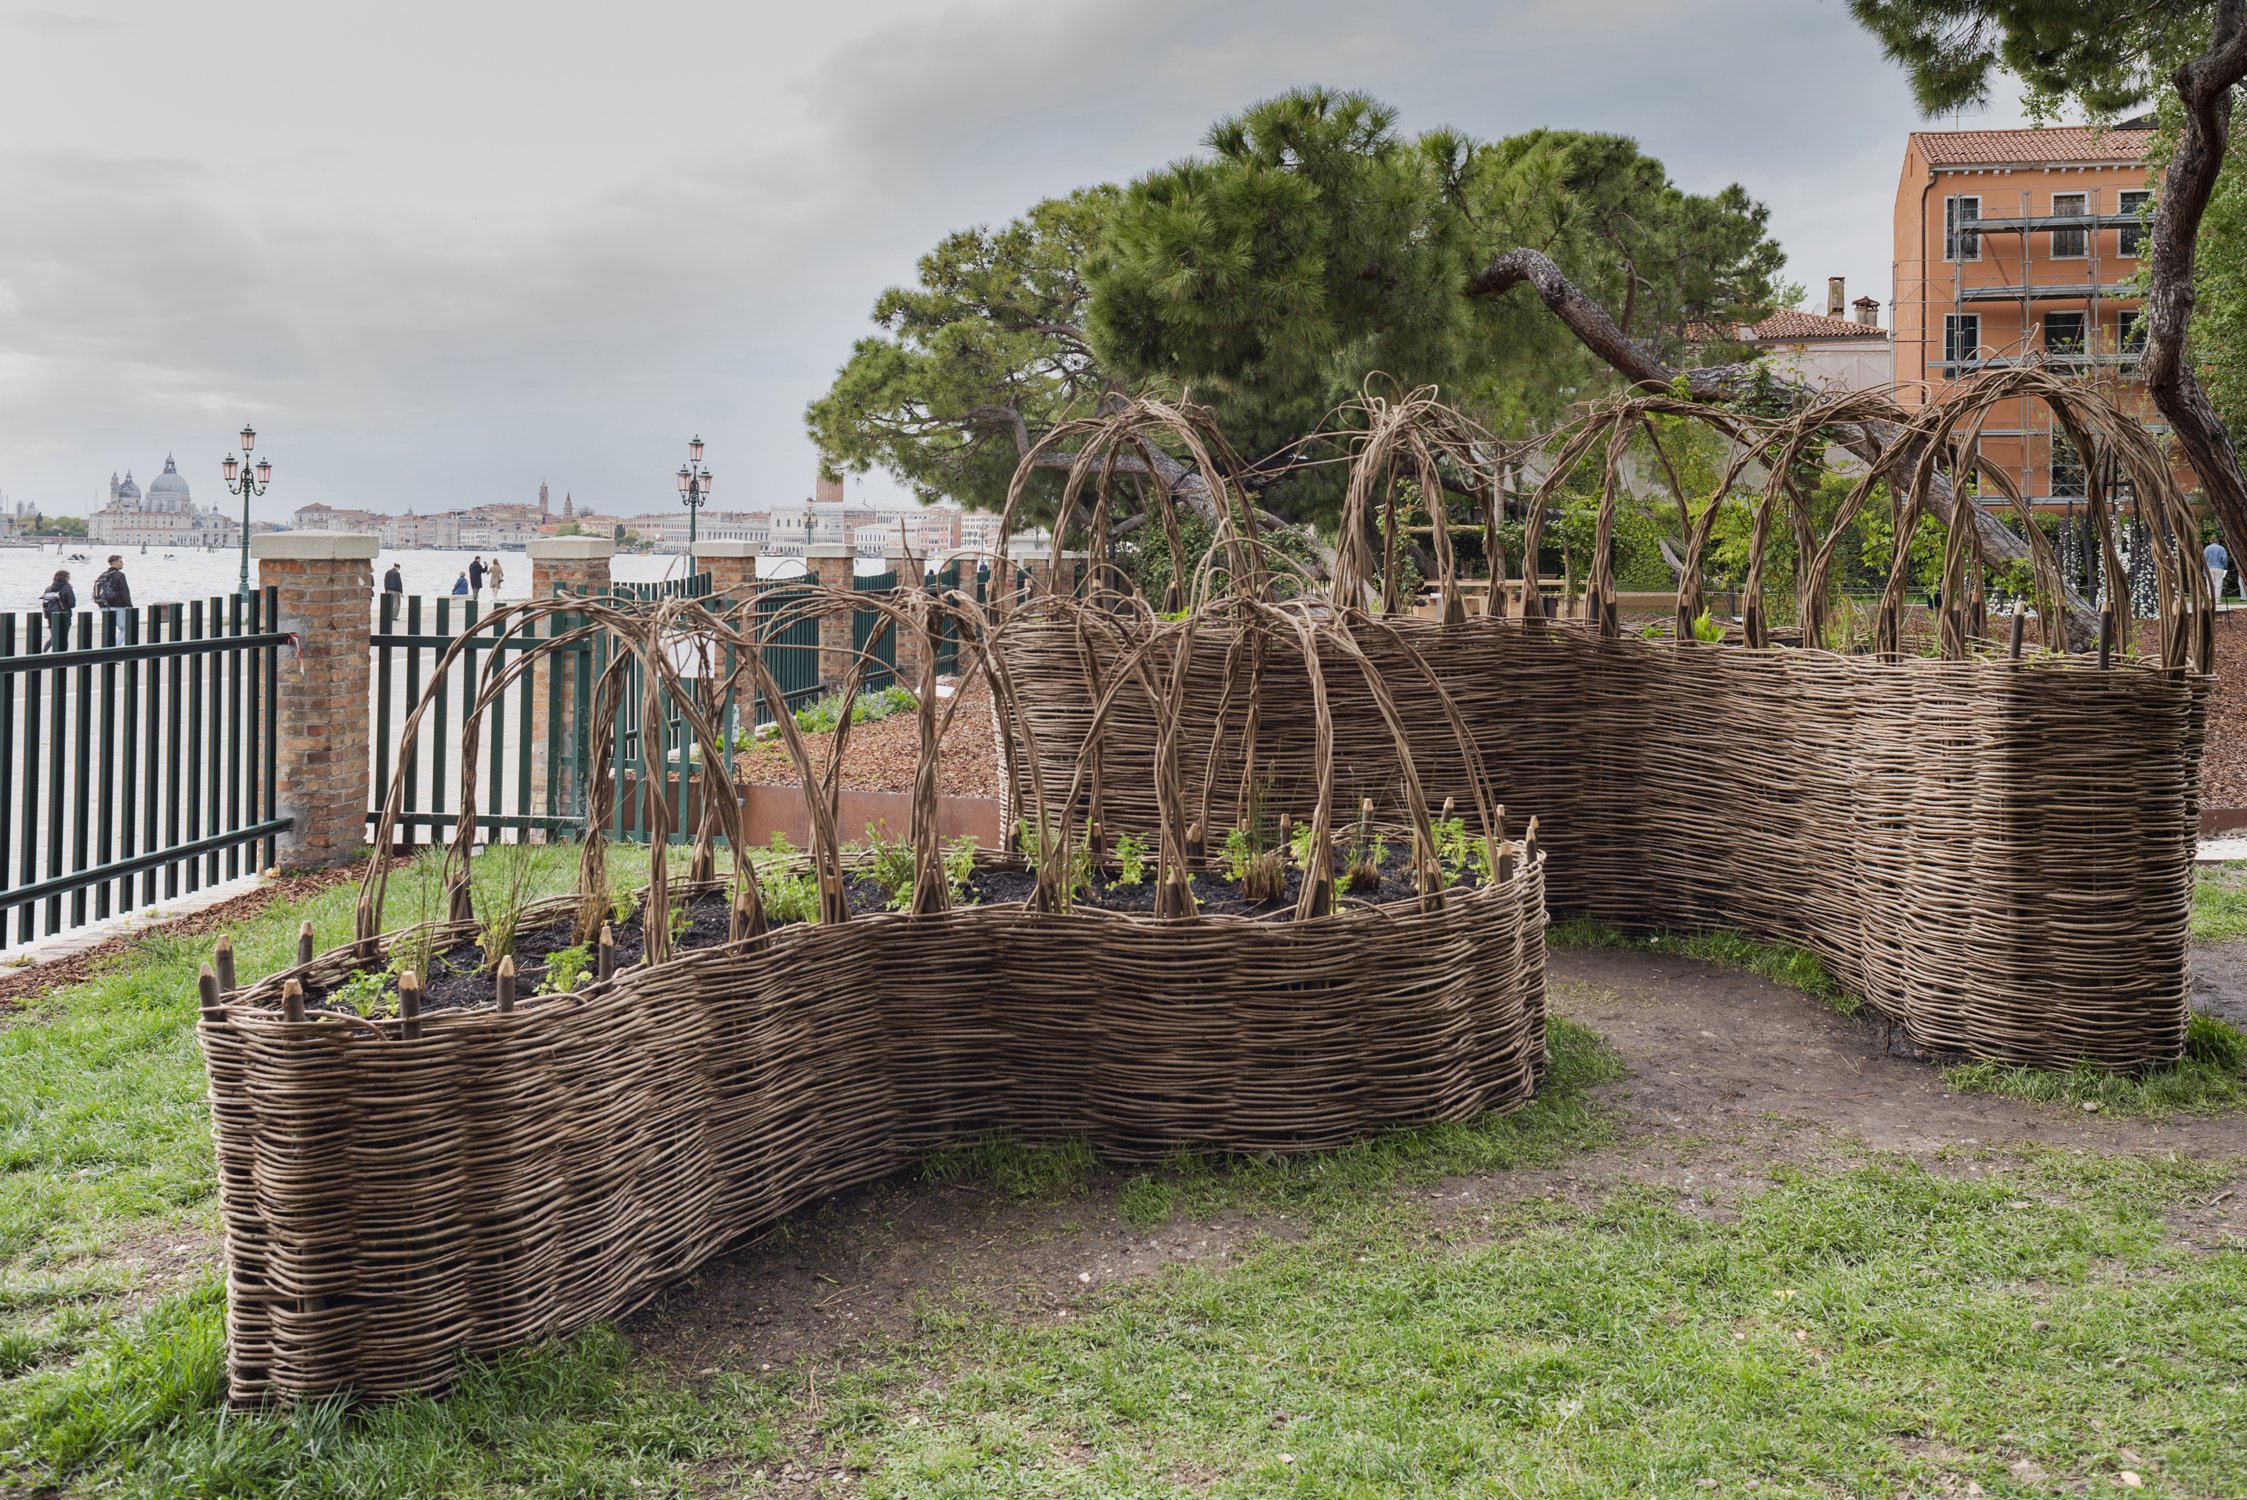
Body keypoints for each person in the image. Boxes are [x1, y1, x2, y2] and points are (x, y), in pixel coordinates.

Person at [92, 554, 132, 638]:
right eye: (120, 561)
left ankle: (108, 648)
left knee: (109, 630)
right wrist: (129, 606)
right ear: (114, 563)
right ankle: (115, 648)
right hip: (117, 606)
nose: (122, 563)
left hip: (104, 605)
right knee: (126, 629)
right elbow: (124, 592)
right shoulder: (120, 575)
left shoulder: (103, 575)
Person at [40, 569, 74, 653]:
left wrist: (46, 615)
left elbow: (45, 604)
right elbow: (72, 604)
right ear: (65, 578)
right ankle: (62, 654)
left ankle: (44, 651)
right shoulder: (67, 588)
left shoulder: (48, 588)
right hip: (64, 615)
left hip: (51, 616)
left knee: (54, 636)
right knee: (64, 637)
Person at [2209, 536, 2232, 604]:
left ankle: (2210, 599)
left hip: (2209, 568)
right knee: (2218, 584)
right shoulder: (2221, 548)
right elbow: (2224, 559)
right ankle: (2217, 600)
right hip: (2219, 567)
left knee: (2210, 584)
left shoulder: (2207, 548)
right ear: (2217, 541)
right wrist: (2225, 566)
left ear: (2210, 541)